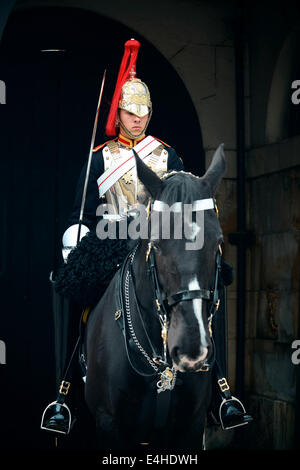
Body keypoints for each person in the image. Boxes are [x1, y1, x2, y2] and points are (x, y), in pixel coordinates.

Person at [41, 39, 252, 435]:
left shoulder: (166, 154)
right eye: (130, 112)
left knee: (210, 285)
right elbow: (81, 212)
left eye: (144, 112)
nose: (137, 119)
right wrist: (77, 235)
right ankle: (64, 393)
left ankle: (221, 392)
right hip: (110, 239)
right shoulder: (98, 158)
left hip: (160, 237)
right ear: (117, 113)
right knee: (76, 291)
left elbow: (184, 200)